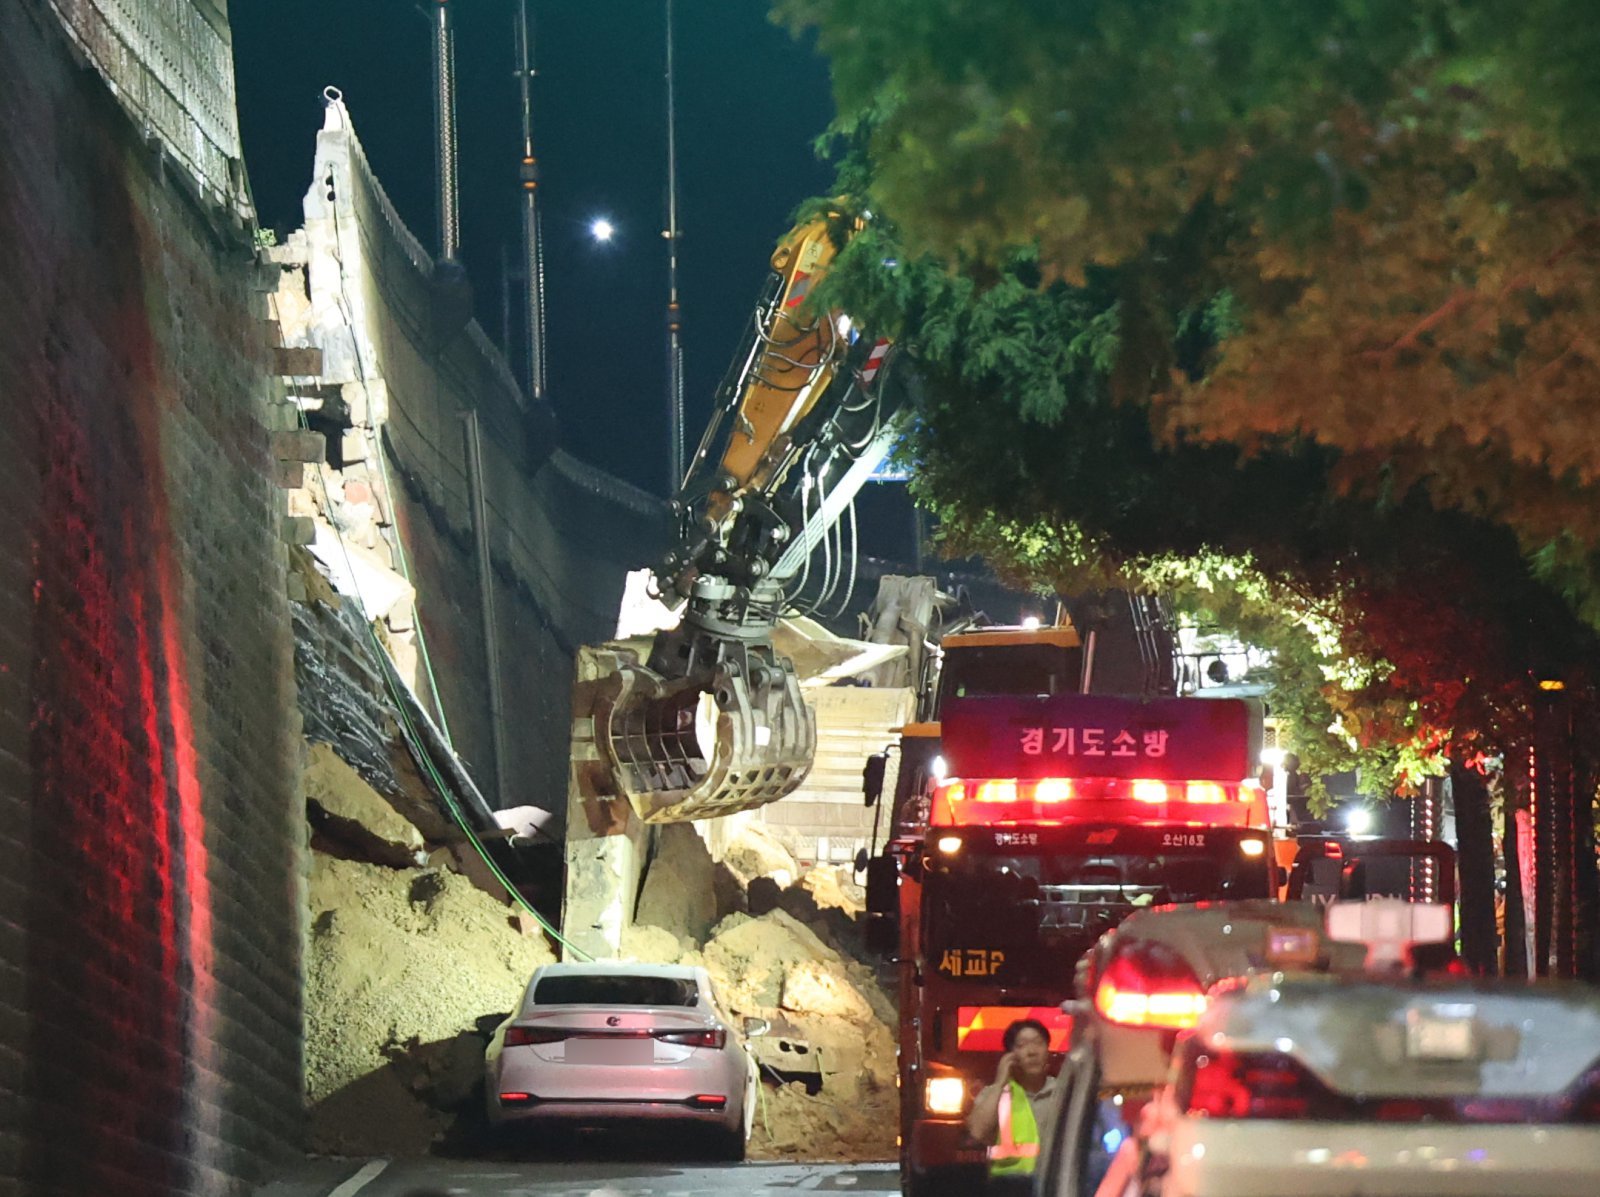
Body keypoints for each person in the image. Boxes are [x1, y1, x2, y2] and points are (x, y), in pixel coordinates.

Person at [965, 1018, 1057, 1195]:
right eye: (1022, 1045)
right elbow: (978, 1132)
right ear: (1010, 1056)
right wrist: (1000, 1082)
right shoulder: (996, 1094)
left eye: (1038, 1043)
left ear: (1048, 1051)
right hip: (1007, 1189)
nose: (1032, 1052)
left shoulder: (1063, 1093)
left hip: (1054, 1187)